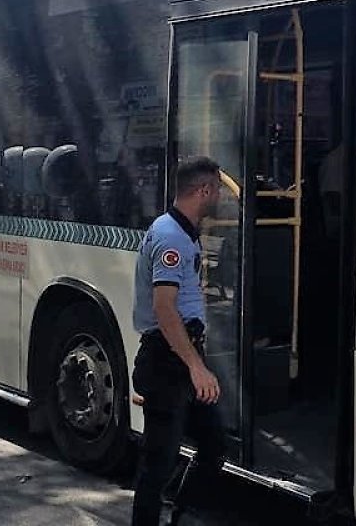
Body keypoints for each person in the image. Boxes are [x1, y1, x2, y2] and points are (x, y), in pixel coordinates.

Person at [131, 156, 226, 526]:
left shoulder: (179, 230)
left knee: (214, 444)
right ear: (203, 191)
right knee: (158, 462)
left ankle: (183, 514)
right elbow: (164, 309)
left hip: (178, 360)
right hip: (168, 363)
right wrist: (196, 367)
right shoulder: (172, 237)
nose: (219, 195)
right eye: (216, 188)